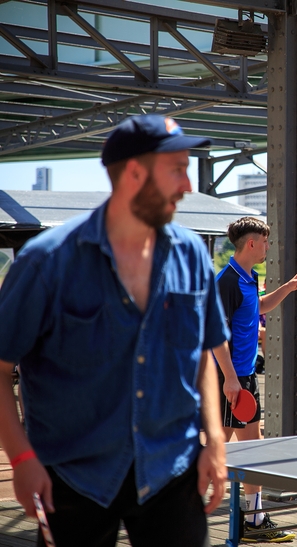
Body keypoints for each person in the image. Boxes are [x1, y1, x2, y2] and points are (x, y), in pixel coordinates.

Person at [0, 115, 228, 546]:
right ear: (135, 173)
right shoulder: (47, 262)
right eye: (177, 169)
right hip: (72, 477)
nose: (188, 186)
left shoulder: (193, 254)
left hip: (172, 468)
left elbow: (201, 354)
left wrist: (214, 438)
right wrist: (22, 457)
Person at [212, 216, 297, 542]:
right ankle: (179, 504)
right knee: (217, 447)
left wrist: (290, 287)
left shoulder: (249, 278)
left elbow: (259, 307)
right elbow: (216, 335)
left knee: (251, 447)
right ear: (252, 243)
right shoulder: (227, 282)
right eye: (265, 241)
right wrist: (230, 379)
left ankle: (254, 517)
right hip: (231, 379)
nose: (268, 247)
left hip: (245, 376)